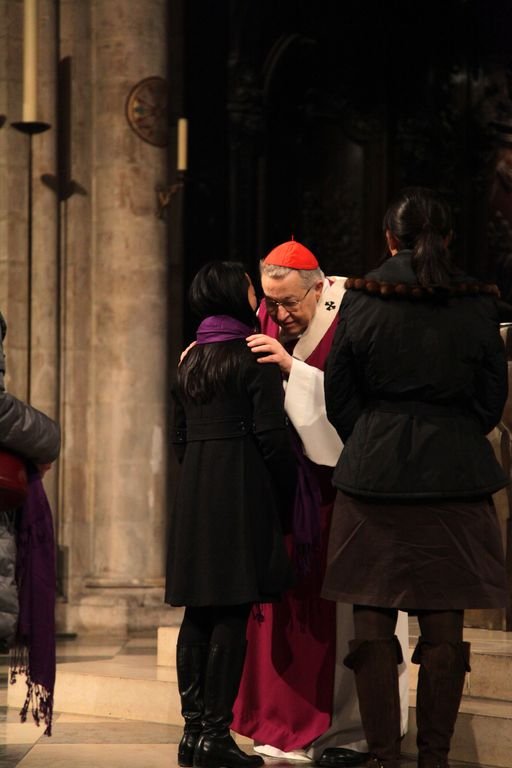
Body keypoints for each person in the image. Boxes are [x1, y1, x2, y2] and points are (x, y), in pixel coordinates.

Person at [323, 186, 509, 768]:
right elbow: (489, 399)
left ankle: (383, 756)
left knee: (373, 623)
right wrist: (447, 431)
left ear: (388, 239)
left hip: (374, 477)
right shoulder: (477, 302)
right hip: (455, 475)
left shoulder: (361, 298)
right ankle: (434, 759)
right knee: (445, 623)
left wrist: (377, 435)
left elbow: (340, 394)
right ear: (448, 239)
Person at [231, 240, 409, 766]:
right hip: (287, 492)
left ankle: (352, 731)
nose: (278, 314)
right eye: (270, 302)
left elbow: (367, 399)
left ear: (318, 287)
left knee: (350, 617)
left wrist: (293, 369)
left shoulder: (353, 310)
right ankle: (282, 721)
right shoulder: (270, 310)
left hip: (345, 487)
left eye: (288, 304)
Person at [165, 260, 297, 768]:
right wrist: (287, 496)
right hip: (241, 491)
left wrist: (201, 468)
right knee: (231, 610)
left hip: (196, 493)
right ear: (230, 293)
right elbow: (271, 437)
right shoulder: (254, 355)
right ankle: (216, 737)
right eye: (248, 286)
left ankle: (193, 733)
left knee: (198, 610)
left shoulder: (190, 358)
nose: (255, 295)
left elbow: (179, 437)